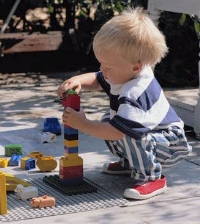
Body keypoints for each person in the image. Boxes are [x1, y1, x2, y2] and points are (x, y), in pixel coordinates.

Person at [57, 7, 192, 200]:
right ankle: (131, 161)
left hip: (170, 144)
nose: (102, 70)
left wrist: (83, 124)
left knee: (125, 132)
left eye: (108, 66)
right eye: (101, 63)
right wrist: (79, 80)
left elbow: (116, 132)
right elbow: (98, 78)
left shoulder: (134, 93)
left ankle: (152, 177)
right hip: (153, 136)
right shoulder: (127, 72)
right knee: (108, 119)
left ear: (135, 66)